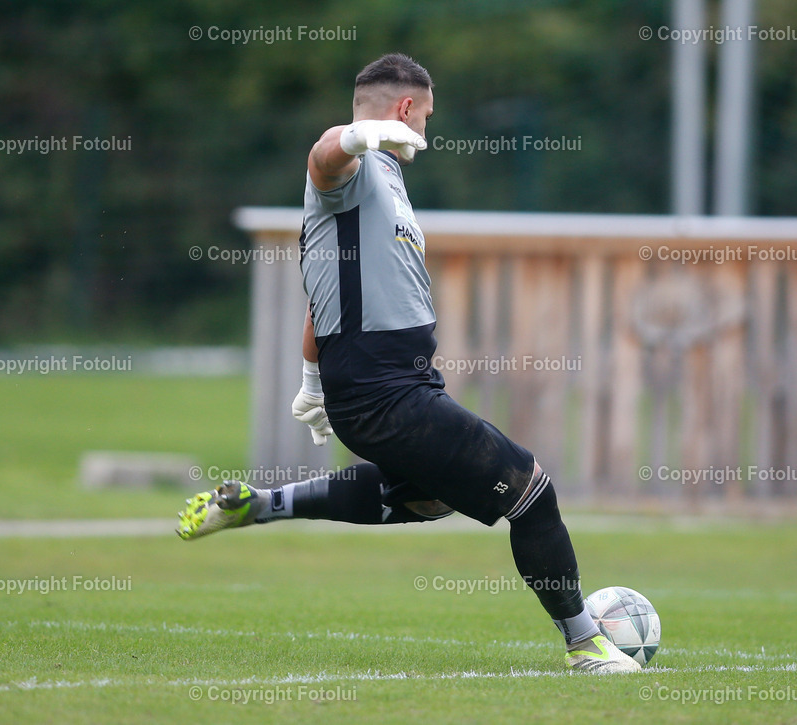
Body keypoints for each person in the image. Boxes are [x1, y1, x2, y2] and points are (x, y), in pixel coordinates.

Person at [176, 52, 640, 675]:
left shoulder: (387, 181)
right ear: (404, 109)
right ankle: (588, 644)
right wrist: (359, 137)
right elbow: (322, 157)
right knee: (532, 494)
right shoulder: (358, 165)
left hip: (389, 387)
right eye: (425, 115)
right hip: (384, 394)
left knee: (427, 500)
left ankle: (259, 505)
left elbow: (325, 295)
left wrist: (313, 382)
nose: (426, 128)